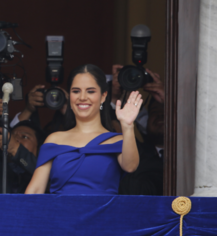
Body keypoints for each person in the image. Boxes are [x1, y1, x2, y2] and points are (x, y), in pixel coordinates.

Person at [25, 64, 142, 195]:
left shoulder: (117, 140)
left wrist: (127, 126)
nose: (82, 97)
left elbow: (130, 167)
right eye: (76, 91)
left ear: (103, 96)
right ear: (69, 96)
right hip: (61, 214)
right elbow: (35, 190)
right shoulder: (55, 139)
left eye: (90, 91)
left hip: (103, 214)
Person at [0, 120, 45, 193]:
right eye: (12, 136)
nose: (15, 139)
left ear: (38, 148)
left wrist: (16, 148)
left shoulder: (46, 170)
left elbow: (48, 179)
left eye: (25, 137)